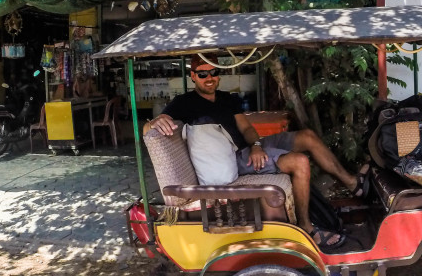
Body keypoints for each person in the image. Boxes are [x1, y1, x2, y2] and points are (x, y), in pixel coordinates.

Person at [143, 55, 364, 249]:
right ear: (193, 76)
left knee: (307, 136)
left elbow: (246, 128)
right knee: (300, 162)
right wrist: (155, 122)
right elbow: (148, 129)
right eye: (202, 74)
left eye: (214, 72)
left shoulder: (227, 98)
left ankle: (352, 183)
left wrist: (257, 146)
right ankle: (306, 228)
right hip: (233, 159)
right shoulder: (184, 103)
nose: (209, 77)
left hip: (249, 147)